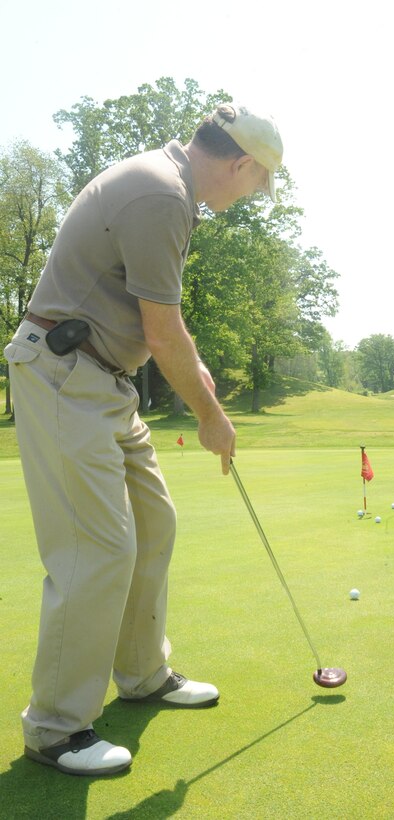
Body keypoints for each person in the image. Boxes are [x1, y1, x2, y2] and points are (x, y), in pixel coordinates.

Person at [4, 103, 283, 776]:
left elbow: (160, 323)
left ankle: (141, 674)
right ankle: (56, 728)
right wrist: (211, 414)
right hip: (66, 374)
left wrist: (192, 367)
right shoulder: (162, 195)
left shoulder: (169, 188)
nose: (253, 196)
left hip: (103, 379)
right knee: (97, 547)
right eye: (259, 182)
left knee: (153, 523)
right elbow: (162, 332)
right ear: (240, 162)